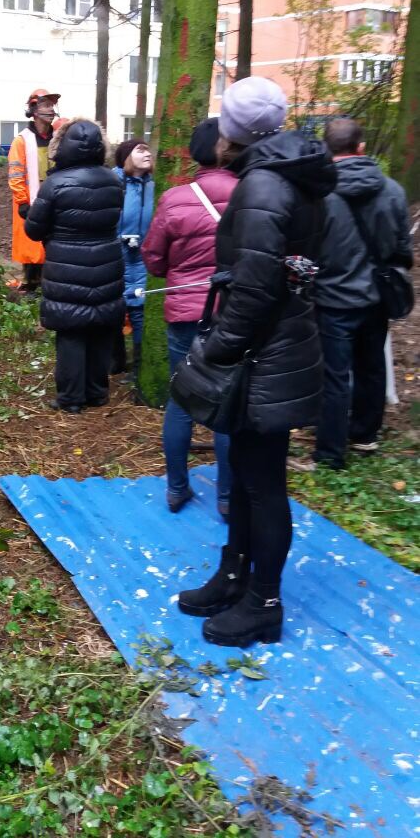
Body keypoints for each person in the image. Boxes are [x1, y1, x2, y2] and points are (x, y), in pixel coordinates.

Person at [176, 77, 336, 648]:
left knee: (263, 483)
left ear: (232, 133)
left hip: (264, 352)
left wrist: (216, 349)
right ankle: (234, 576)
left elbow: (256, 284)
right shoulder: (290, 175)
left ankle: (263, 602)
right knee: (245, 475)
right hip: (273, 344)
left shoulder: (265, 184)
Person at [141, 118, 238, 517]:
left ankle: (177, 488)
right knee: (228, 405)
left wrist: (181, 271)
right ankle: (228, 498)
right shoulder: (251, 193)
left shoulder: (175, 198)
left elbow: (154, 257)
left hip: (185, 312)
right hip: (234, 314)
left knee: (182, 401)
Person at [311, 117, 413, 469]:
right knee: (371, 367)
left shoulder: (318, 193)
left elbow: (309, 248)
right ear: (361, 148)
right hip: (376, 296)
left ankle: (329, 453)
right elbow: (403, 251)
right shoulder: (394, 191)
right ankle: (365, 436)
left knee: (334, 375)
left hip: (331, 298)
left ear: (326, 149)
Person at [24, 119, 124, 413]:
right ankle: (97, 392)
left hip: (66, 266)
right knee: (101, 328)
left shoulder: (55, 183)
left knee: (71, 332)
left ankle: (70, 398)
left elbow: (34, 230)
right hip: (107, 261)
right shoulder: (114, 181)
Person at [8, 89, 60, 293]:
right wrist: (22, 201)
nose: (51, 109)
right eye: (46, 105)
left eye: (52, 105)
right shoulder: (22, 140)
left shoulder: (58, 137)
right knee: (30, 242)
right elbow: (15, 172)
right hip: (30, 198)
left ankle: (51, 281)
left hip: (54, 196)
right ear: (34, 110)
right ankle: (31, 283)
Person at [113, 139, 154, 378]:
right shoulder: (113, 182)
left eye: (148, 149)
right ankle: (114, 361)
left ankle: (138, 367)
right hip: (116, 256)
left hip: (143, 258)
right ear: (126, 156)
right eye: (141, 150)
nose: (147, 153)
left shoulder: (152, 185)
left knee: (139, 309)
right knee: (114, 309)